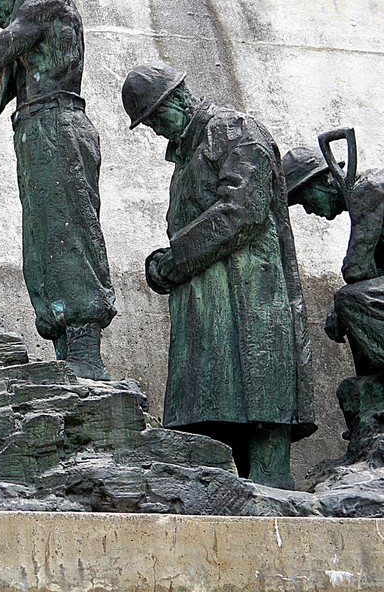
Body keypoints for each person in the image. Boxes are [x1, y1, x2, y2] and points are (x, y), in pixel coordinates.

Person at [123, 62, 315, 489]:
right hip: (209, 305)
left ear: (178, 98)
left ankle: (271, 485)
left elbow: (242, 211)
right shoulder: (189, 152)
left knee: (260, 408)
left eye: (156, 117)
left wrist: (176, 258)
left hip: (251, 297)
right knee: (209, 416)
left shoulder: (232, 129)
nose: (155, 129)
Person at [0, 0, 116, 379]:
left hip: (57, 124)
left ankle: (86, 348)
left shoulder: (45, 5)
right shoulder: (21, 35)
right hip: (32, 132)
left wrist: (0, 56)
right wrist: (4, 67)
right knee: (42, 243)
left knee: (69, 234)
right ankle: (65, 344)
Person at [283, 143, 384, 375]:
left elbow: (356, 270)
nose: (309, 210)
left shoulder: (369, 189)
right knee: (354, 307)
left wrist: (338, 307)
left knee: (350, 301)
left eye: (305, 200)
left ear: (323, 181)